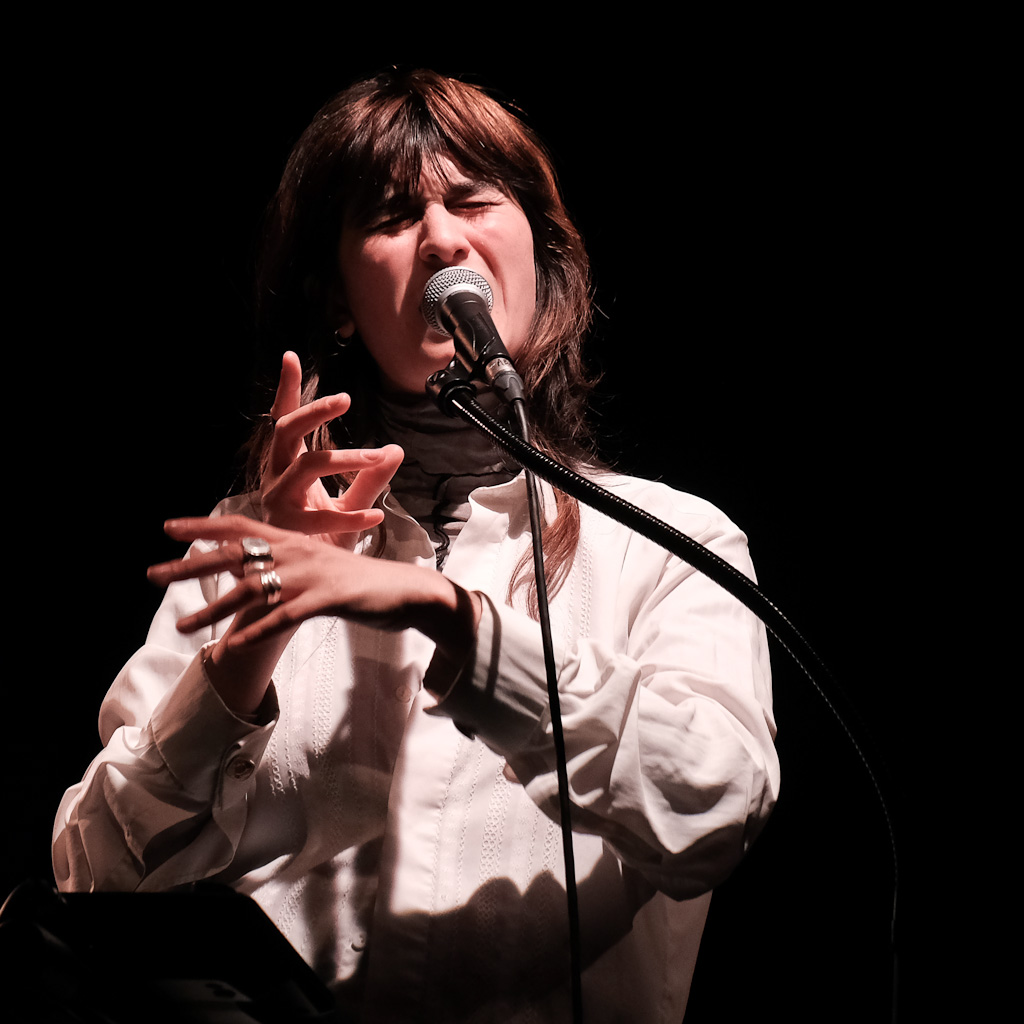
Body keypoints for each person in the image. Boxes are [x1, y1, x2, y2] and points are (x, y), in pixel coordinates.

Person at [53, 68, 779, 1022]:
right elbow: (91, 878)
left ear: (538, 257)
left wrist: (452, 619)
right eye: (393, 217)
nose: (442, 239)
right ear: (339, 296)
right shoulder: (256, 539)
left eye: (474, 201)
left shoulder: (671, 543)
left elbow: (717, 805)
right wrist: (245, 650)